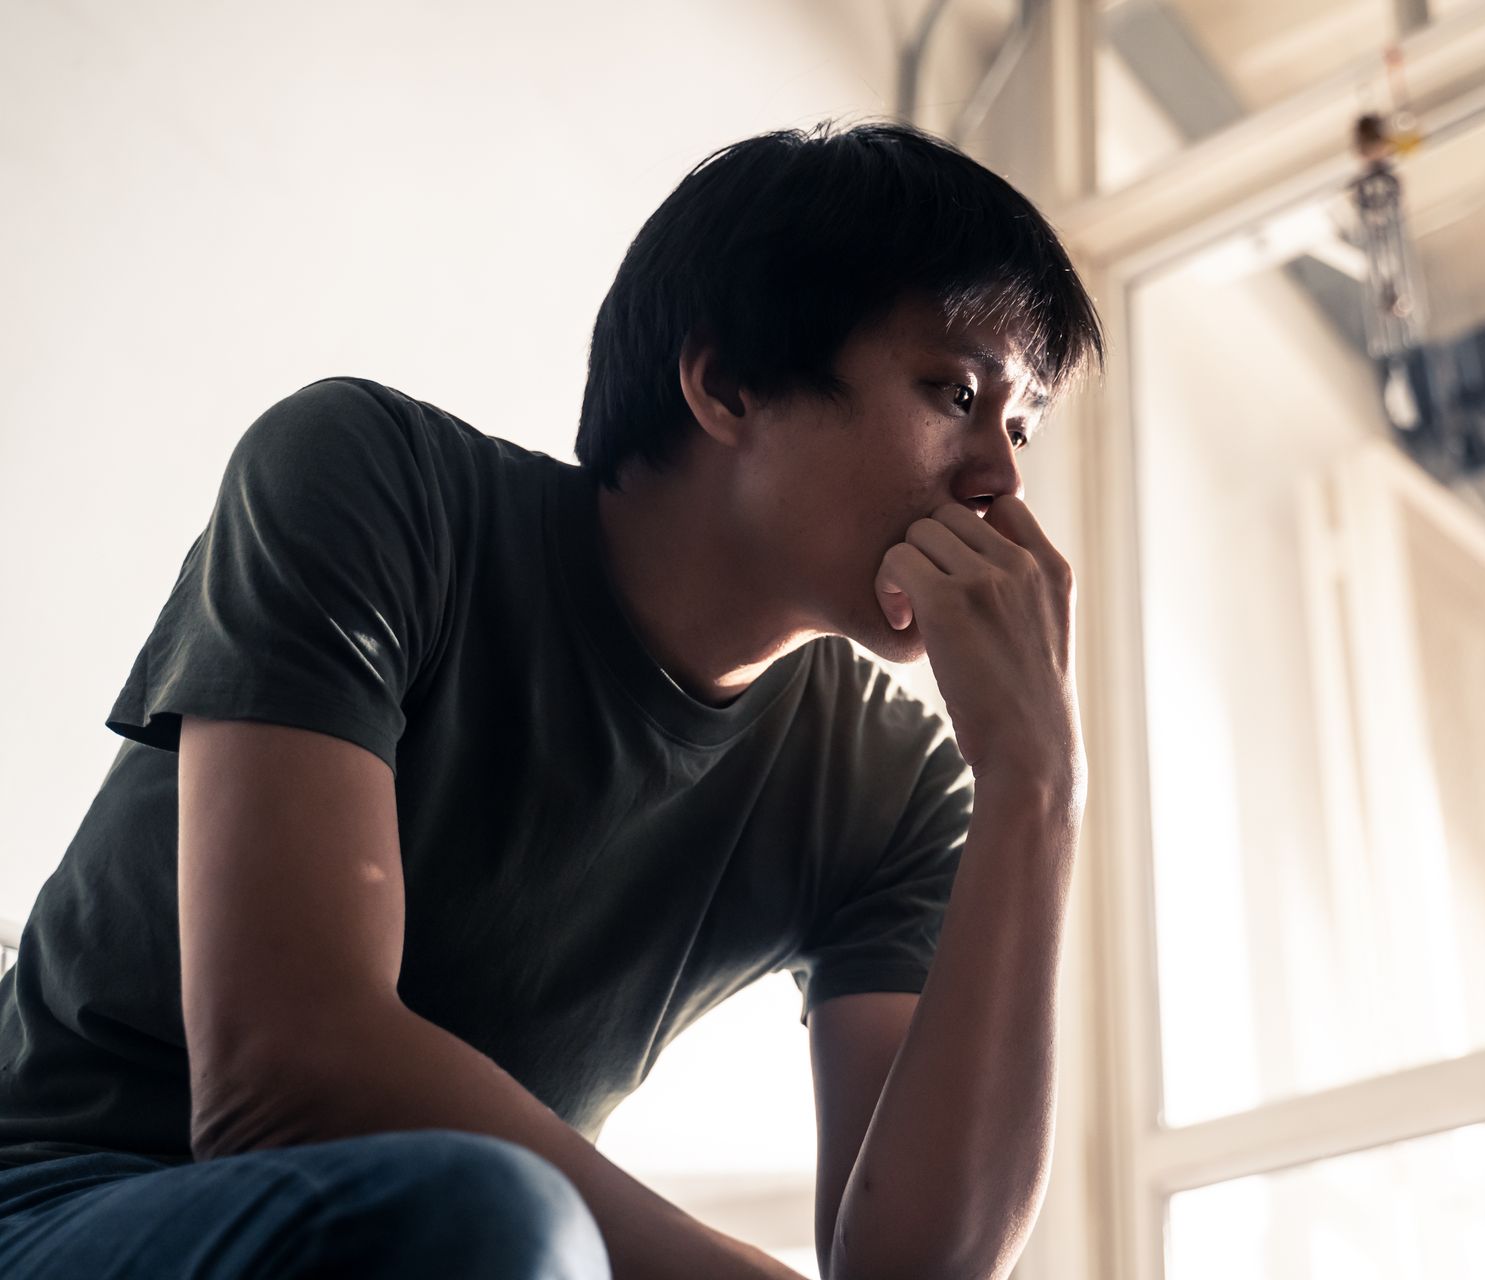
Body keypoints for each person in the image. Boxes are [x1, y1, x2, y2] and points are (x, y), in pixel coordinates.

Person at [0, 120, 1102, 1279]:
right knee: (491, 1219)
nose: (1001, 478)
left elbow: (912, 1269)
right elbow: (285, 1079)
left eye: (1020, 422)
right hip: (62, 1197)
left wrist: (1040, 783)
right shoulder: (373, 483)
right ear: (725, 382)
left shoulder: (893, 787)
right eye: (955, 391)